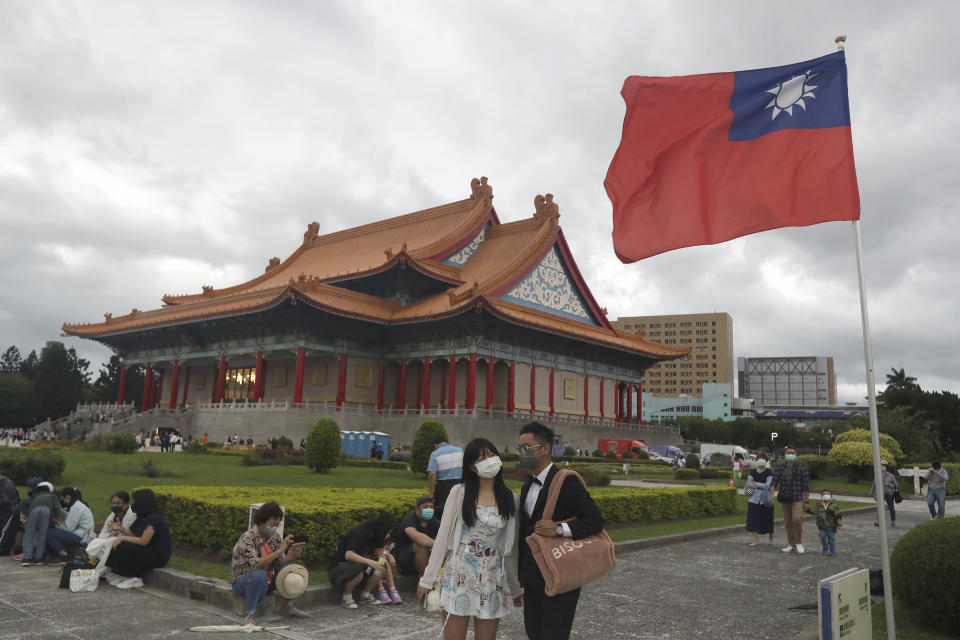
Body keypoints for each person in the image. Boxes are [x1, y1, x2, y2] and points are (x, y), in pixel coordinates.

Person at [417, 438, 520, 640]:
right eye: (482, 458)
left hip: (492, 579)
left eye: (492, 455)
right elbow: (442, 538)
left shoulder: (510, 498)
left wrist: (515, 588)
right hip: (459, 575)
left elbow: (510, 548)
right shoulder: (459, 493)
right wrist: (427, 579)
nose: (489, 461)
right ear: (472, 467)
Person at [516, 423, 604, 640]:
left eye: (527, 447)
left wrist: (558, 529)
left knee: (554, 634)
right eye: (520, 448)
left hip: (561, 572)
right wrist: (518, 576)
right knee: (534, 631)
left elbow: (595, 520)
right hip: (533, 576)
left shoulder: (566, 481)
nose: (522, 453)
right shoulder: (528, 486)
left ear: (545, 448)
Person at [231, 500, 308, 625]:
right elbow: (257, 564)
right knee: (259, 574)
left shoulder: (274, 537)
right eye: (272, 523)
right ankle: (249, 615)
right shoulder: (247, 538)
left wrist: (291, 555)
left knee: (292, 568)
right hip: (244, 582)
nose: (274, 527)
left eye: (277, 524)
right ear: (262, 520)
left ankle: (289, 607)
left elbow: (280, 561)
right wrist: (280, 551)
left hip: (267, 580)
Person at [328, 512, 399, 609]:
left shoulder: (378, 537)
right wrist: (369, 562)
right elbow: (349, 555)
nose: (388, 535)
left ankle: (365, 595)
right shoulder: (361, 532)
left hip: (363, 566)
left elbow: (379, 554)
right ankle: (347, 597)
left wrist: (388, 556)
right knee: (358, 568)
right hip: (341, 567)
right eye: (388, 531)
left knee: (381, 566)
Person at [106, 488, 172, 578]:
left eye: (135, 502)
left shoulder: (155, 518)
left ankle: (132, 576)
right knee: (119, 544)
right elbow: (134, 535)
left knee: (126, 547)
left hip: (158, 556)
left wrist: (122, 538)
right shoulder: (142, 516)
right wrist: (120, 528)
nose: (133, 504)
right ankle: (112, 572)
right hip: (147, 550)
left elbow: (144, 540)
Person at [771, 447, 810, 554]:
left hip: (797, 497)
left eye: (792, 453)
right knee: (788, 522)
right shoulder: (779, 467)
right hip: (785, 497)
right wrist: (771, 494)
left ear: (796, 455)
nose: (790, 454)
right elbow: (774, 482)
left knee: (797, 519)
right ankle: (791, 544)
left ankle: (799, 542)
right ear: (784, 455)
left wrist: (806, 501)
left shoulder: (801, 468)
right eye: (788, 453)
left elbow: (806, 487)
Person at [45, 487, 95, 564]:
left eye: (63, 499)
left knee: (49, 532)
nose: (63, 501)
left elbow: (68, 528)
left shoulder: (76, 507)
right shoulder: (78, 505)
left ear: (68, 497)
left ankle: (63, 555)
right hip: (82, 534)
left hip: (80, 537)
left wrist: (56, 524)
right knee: (54, 532)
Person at [16, 479, 59, 566]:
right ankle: (39, 559)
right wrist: (54, 517)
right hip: (47, 512)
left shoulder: (34, 496)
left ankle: (27, 559)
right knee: (42, 534)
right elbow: (57, 508)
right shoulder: (53, 497)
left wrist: (27, 514)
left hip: (33, 511)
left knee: (29, 534)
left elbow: (21, 505)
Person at [394, 496, 439, 577]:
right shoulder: (409, 521)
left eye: (431, 507)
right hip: (405, 561)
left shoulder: (433, 521)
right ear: (417, 509)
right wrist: (439, 546)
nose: (429, 510)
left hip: (427, 558)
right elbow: (416, 537)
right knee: (420, 545)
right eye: (425, 507)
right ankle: (424, 581)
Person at [428, 436, 463, 518]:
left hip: (443, 487)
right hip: (460, 484)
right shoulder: (460, 450)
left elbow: (432, 474)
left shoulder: (435, 454)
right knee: (458, 509)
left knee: (441, 511)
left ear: (435, 445)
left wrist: (431, 492)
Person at [745, 453, 774, 546]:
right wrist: (761, 484)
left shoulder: (769, 472)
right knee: (754, 519)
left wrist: (756, 483)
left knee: (768, 518)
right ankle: (755, 541)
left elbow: (768, 485)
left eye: (763, 458)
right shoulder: (753, 471)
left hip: (765, 498)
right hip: (753, 498)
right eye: (759, 458)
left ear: (766, 461)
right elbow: (749, 484)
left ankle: (771, 538)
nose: (761, 460)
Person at [870, 461, 899, 527]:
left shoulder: (891, 476)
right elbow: (874, 484)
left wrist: (890, 484)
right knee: (880, 508)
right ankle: (879, 522)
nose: (882, 466)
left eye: (883, 465)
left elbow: (896, 485)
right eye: (881, 465)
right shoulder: (878, 475)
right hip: (881, 494)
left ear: (886, 467)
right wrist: (871, 492)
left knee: (891, 508)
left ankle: (893, 521)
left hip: (889, 494)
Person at [815, 490, 842, 556]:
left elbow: (838, 516)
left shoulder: (834, 506)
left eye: (827, 494)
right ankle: (825, 548)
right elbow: (813, 511)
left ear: (831, 496)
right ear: (821, 496)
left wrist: (839, 524)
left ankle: (832, 551)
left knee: (831, 539)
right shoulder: (819, 506)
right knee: (822, 536)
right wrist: (807, 509)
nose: (825, 495)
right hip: (822, 526)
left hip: (831, 527)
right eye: (823, 494)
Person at [0, 468, 19, 556]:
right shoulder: (5, 482)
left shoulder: (6, 484)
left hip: (7, 513)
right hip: (5, 512)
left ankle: (2, 552)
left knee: (4, 533)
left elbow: (6, 501)